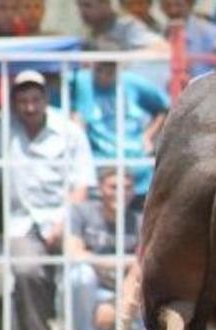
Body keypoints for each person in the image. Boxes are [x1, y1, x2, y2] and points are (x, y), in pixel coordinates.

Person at [0, 70, 97, 330]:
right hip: (21, 221)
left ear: (45, 99)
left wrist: (66, 221)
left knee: (81, 274)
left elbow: (81, 184)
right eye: (23, 101)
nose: (29, 107)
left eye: (35, 100)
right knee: (28, 268)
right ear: (14, 102)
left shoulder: (69, 131)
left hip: (64, 217)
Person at [71, 42, 169, 207]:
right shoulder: (81, 82)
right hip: (100, 176)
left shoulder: (132, 82)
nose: (104, 75)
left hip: (140, 176)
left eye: (111, 69)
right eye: (100, 68)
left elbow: (164, 108)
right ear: (92, 64)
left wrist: (149, 135)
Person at [65, 167, 142, 330]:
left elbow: (145, 263)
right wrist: (124, 262)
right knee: (81, 274)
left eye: (127, 187)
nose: (120, 193)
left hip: (126, 293)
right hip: (88, 293)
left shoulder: (140, 220)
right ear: (100, 189)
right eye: (113, 187)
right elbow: (74, 253)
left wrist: (114, 305)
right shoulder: (80, 212)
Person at [160, 0, 216, 78]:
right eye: (167, 6)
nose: (173, 10)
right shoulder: (160, 35)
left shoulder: (211, 32)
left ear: (190, 3)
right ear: (162, 8)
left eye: (178, 5)